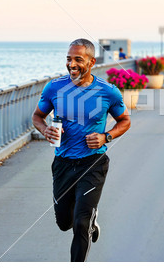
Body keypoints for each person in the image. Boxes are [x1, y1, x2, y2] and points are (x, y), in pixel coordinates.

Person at [32, 38, 131, 262]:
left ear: (92, 62)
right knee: (64, 223)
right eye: (69, 59)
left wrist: (106, 136)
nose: (72, 64)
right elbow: (37, 116)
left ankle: (86, 224)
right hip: (63, 164)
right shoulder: (54, 88)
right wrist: (45, 129)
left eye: (78, 59)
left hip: (93, 163)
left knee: (80, 224)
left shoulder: (108, 92)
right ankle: (89, 218)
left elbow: (125, 121)